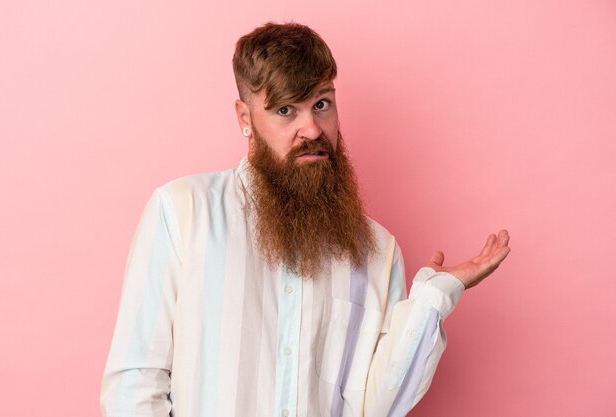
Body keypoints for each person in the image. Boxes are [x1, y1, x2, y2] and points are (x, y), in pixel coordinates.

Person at [100, 22, 510, 417]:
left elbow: (377, 407)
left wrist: (431, 301)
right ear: (245, 118)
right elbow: (135, 385)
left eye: (321, 104)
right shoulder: (183, 213)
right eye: (284, 110)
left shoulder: (378, 250)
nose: (312, 128)